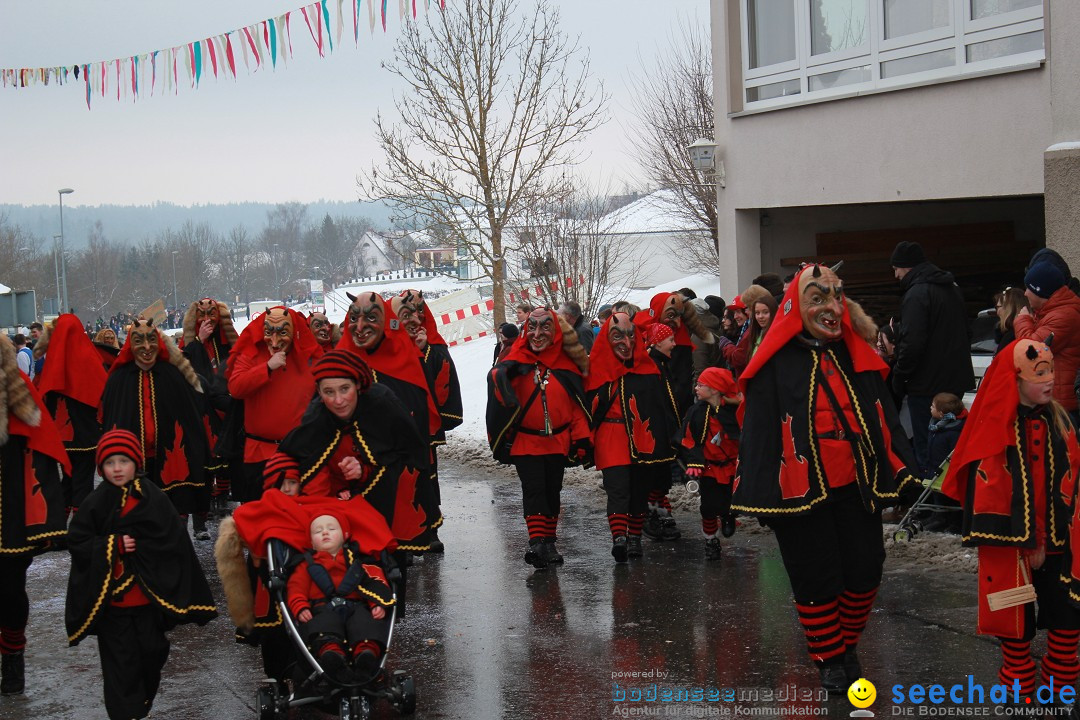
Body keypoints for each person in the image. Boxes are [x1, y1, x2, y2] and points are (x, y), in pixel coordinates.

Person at [732, 263, 919, 693]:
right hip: (798, 486)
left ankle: (846, 643)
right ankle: (830, 659)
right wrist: (760, 496)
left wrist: (899, 471)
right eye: (820, 298)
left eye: (837, 296)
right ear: (798, 304)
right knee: (816, 576)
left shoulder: (854, 352)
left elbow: (880, 415)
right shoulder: (775, 361)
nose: (832, 307)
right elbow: (758, 432)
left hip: (857, 478)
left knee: (865, 570)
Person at [941, 339, 1080, 700]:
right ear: (1015, 380)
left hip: (1060, 545)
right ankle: (1018, 684)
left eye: (1051, 370)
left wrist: (1050, 539)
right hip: (1010, 547)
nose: (1050, 379)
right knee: (1013, 620)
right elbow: (996, 492)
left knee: (1068, 614)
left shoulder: (1060, 424)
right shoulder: (995, 432)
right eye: (1040, 373)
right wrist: (1027, 541)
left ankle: (1060, 684)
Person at [65, 429, 216, 720]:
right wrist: (112, 545)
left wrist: (146, 548)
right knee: (119, 664)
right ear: (101, 468)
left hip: (148, 602)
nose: (117, 468)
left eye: (123, 461)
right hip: (114, 606)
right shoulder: (95, 502)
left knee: (152, 653)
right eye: (110, 463)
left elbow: (173, 541)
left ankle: (139, 704)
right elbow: (78, 541)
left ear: (136, 463)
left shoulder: (154, 498)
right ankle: (125, 713)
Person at [487, 307, 591, 569]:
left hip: (557, 442)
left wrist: (581, 439)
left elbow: (576, 406)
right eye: (531, 327)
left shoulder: (567, 365)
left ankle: (550, 541)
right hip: (526, 442)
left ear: (555, 331)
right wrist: (500, 380)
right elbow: (498, 395)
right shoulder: (514, 363)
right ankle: (537, 542)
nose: (537, 333)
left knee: (552, 490)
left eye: (544, 327)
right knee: (533, 490)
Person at [336, 292, 441, 552]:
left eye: (371, 318)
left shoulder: (405, 361)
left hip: (395, 472)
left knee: (394, 555)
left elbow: (417, 414)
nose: (360, 328)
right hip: (350, 473)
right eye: (354, 318)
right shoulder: (338, 362)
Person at [0, 334, 68, 696]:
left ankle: (13, 656)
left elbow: (42, 443)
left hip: (12, 514)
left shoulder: (16, 385)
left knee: (11, 593)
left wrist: (45, 514)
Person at [99, 317, 211, 536]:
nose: (147, 348)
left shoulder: (173, 375)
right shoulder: (119, 379)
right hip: (135, 461)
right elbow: (111, 418)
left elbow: (191, 419)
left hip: (171, 457)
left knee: (172, 517)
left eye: (151, 340)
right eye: (139, 341)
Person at [586, 311, 679, 563]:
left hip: (642, 437)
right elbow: (587, 409)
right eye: (618, 336)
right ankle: (620, 538)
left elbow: (663, 408)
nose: (626, 343)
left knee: (639, 490)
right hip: (610, 435)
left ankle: (635, 538)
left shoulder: (649, 371)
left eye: (630, 335)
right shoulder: (595, 370)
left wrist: (669, 440)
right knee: (617, 490)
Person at [890, 240, 975, 472]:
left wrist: (899, 377)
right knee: (950, 444)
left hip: (926, 387)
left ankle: (929, 504)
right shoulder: (952, 288)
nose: (896, 275)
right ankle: (949, 497)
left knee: (927, 447)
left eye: (896, 268)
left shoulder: (916, 294)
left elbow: (912, 343)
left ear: (906, 267)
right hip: (954, 383)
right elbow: (966, 331)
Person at [287, 508, 395, 684]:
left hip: (355, 605)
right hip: (322, 607)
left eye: (331, 528)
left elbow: (369, 584)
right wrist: (300, 606)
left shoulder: (355, 561)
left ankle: (366, 654)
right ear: (311, 542)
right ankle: (332, 654)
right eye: (318, 531)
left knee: (365, 620)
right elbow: (295, 588)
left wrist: (376, 603)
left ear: (345, 535)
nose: (325, 532)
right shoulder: (306, 565)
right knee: (322, 623)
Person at [392, 290, 463, 552]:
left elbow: (441, 384)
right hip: (395, 428)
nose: (414, 319)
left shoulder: (435, 349)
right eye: (407, 314)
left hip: (424, 428)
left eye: (419, 313)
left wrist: (423, 352)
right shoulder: (388, 348)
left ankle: (429, 527)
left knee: (427, 476)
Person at [226, 307, 318, 504]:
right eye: (269, 333)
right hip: (258, 454)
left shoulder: (309, 357)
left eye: (282, 333)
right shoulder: (251, 353)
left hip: (296, 454)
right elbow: (235, 387)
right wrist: (267, 367)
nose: (275, 342)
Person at [32, 314, 105, 518]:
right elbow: (102, 390)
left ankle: (59, 523)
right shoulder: (89, 356)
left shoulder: (54, 360)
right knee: (83, 480)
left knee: (68, 478)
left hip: (63, 435)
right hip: (87, 435)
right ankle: (82, 524)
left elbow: (43, 392)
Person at [676, 367, 741, 562]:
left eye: (701, 385)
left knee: (731, 501)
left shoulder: (733, 412)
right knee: (708, 507)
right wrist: (694, 461)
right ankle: (711, 541)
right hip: (709, 469)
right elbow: (688, 439)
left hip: (732, 468)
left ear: (714, 389)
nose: (696, 388)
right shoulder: (696, 412)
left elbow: (744, 438)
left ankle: (728, 515)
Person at [1015, 262, 1080, 424]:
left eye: (1028, 288)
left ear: (1040, 291)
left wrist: (1022, 320)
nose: (1025, 293)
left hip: (1062, 405)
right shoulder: (1051, 312)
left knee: (1061, 448)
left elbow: (1030, 352)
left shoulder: (1064, 315)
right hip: (1054, 400)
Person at [918, 392, 967, 534]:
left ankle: (955, 522)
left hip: (945, 471)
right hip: (934, 467)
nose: (930, 408)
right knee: (938, 496)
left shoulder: (953, 431)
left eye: (933, 406)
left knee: (950, 498)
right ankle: (939, 515)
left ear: (941, 413)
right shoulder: (936, 426)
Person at [993, 287, 1028, 354]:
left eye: (998, 307)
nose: (997, 312)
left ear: (1010, 308)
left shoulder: (1012, 337)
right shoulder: (1010, 335)